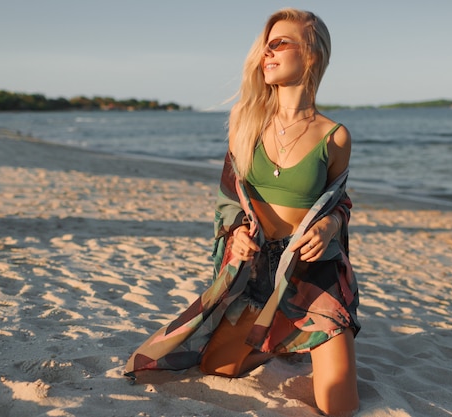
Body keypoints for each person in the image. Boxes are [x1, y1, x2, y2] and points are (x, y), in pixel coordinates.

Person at [125, 8, 360, 416]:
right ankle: (282, 339)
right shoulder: (246, 120)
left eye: (279, 43)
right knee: (218, 366)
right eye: (264, 46)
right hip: (256, 270)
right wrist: (235, 232)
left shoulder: (333, 135)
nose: (267, 54)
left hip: (311, 273)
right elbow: (230, 194)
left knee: (339, 405)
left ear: (312, 54)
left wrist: (329, 225)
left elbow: (340, 200)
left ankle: (305, 330)